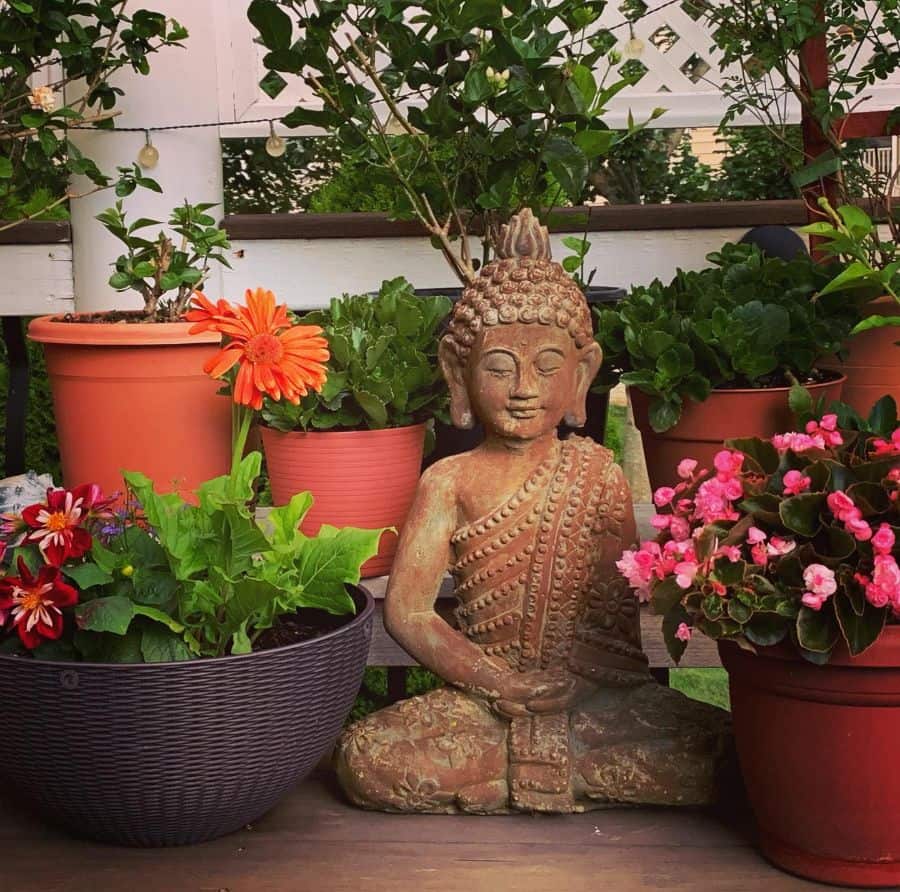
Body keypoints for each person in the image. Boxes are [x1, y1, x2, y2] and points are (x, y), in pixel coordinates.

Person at [335, 210, 729, 814]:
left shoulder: (597, 470)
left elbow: (614, 620)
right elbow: (410, 613)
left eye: (547, 366)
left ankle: (530, 776)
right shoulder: (449, 478)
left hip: (596, 699)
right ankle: (583, 775)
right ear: (457, 373)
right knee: (368, 757)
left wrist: (578, 686)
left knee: (731, 749)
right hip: (481, 702)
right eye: (498, 366)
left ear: (582, 374)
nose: (524, 387)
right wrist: (499, 684)